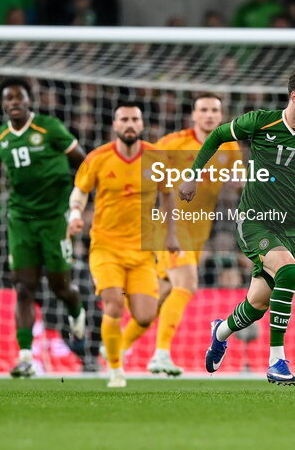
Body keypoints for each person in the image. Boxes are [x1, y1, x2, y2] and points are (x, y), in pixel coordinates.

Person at [181, 70, 295, 385]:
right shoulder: (261, 121)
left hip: (291, 229)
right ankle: (277, 361)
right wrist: (193, 174)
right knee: (290, 272)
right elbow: (218, 135)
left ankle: (219, 332)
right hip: (255, 220)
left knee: (258, 304)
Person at [0, 79, 87, 378]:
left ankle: (76, 311)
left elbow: (84, 164)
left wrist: (80, 203)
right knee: (24, 287)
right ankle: (25, 356)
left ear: (29, 101)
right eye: (8, 98)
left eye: (19, 97)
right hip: (20, 220)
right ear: (3, 104)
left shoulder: (49, 129)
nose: (13, 102)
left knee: (60, 285)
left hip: (54, 219)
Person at [67, 102, 178, 388]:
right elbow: (80, 193)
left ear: (141, 125)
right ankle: (115, 369)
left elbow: (168, 196)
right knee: (114, 305)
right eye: (124, 119)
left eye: (135, 119)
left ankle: (114, 347)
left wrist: (171, 234)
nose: (130, 124)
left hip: (142, 251)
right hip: (106, 247)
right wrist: (77, 214)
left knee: (144, 315)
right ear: (115, 125)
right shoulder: (98, 158)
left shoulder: (157, 157)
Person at [137, 93, 239, 376]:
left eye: (214, 110)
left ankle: (116, 346)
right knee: (188, 284)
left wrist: (241, 184)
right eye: (203, 110)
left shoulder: (229, 148)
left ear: (221, 116)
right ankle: (160, 355)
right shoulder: (172, 143)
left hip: (198, 233)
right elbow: (144, 171)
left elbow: (240, 183)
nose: (208, 115)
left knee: (161, 295)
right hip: (169, 227)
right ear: (193, 115)